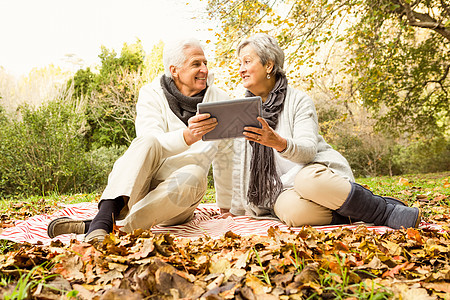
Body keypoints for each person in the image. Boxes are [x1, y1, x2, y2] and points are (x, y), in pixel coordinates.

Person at [224, 33, 421, 229]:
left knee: (306, 181)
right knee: (293, 213)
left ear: (269, 65)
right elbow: (240, 165)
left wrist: (279, 143)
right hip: (282, 189)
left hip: (314, 175)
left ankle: (383, 211)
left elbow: (308, 151)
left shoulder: (298, 101)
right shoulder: (244, 111)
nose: (241, 70)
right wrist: (235, 210)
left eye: (247, 62)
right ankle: (351, 211)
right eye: (240, 64)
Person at [47, 38, 233, 242]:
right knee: (147, 141)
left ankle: (104, 225)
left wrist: (227, 205)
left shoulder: (220, 100)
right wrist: (187, 137)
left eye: (205, 63)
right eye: (196, 64)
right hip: (139, 191)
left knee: (196, 173)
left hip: (178, 201)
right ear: (174, 70)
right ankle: (105, 217)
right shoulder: (151, 93)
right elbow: (151, 142)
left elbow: (226, 153)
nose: (204, 69)